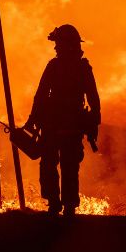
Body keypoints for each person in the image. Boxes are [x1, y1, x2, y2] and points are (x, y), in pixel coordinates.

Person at [22, 24, 101, 217]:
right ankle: (67, 206)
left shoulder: (56, 66)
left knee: (52, 164)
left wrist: (33, 119)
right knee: (68, 166)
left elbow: (40, 96)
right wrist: (93, 123)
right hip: (66, 126)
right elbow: (94, 100)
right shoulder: (82, 68)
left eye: (58, 43)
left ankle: (56, 204)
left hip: (55, 125)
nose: (55, 47)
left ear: (66, 44)